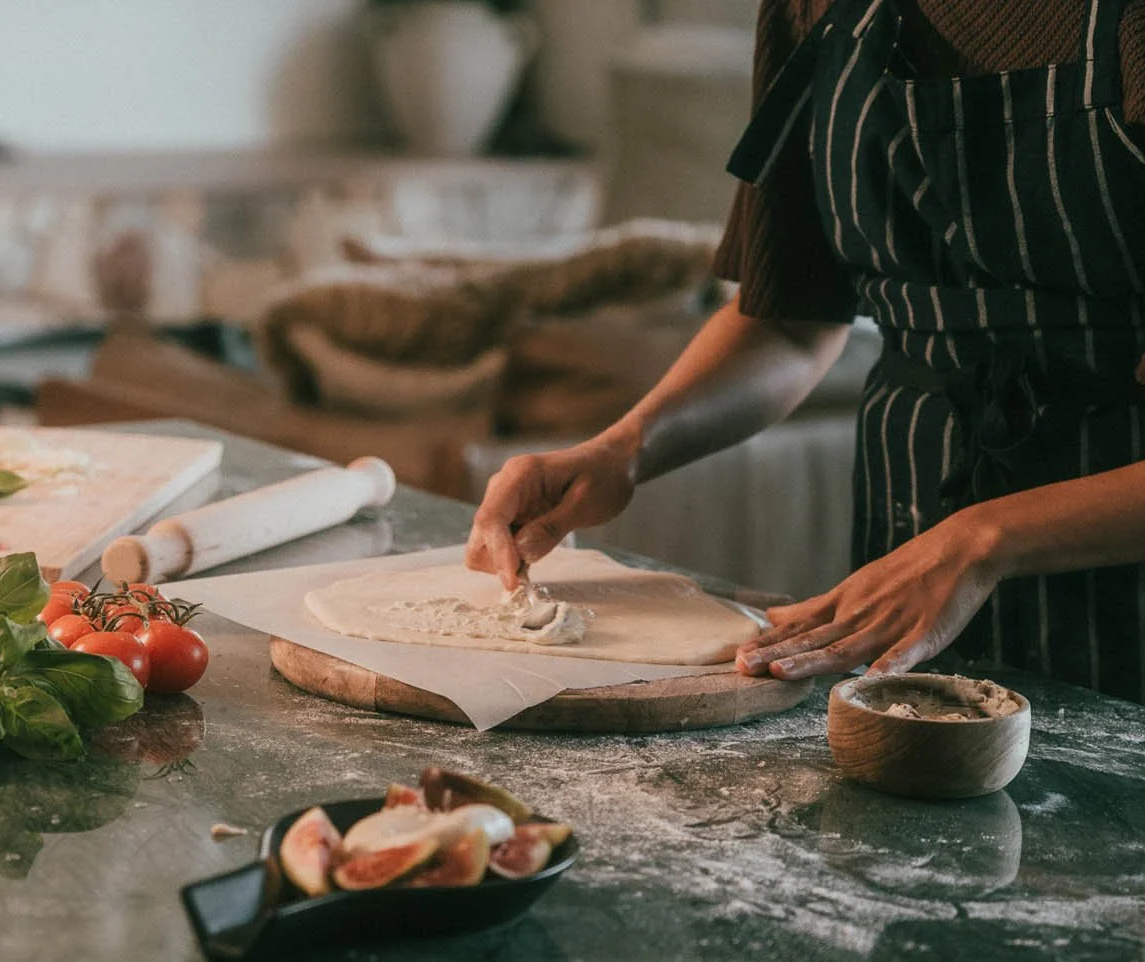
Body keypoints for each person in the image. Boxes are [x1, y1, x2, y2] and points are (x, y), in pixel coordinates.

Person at [466, 0, 1145, 701]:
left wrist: (983, 540)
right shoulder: (813, 8)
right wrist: (621, 452)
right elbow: (790, 320)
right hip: (908, 528)